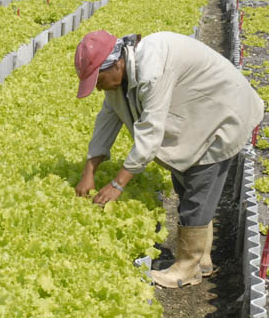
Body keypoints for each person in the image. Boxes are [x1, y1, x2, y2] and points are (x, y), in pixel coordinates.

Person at [73, 30, 263, 289]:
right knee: (186, 186)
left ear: (116, 64)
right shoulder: (121, 75)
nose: (97, 87)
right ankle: (202, 260)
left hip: (222, 112)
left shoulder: (150, 68)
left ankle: (187, 268)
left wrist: (117, 184)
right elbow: (107, 120)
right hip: (196, 115)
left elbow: (150, 135)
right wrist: (89, 170)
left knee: (199, 189)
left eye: (98, 79)